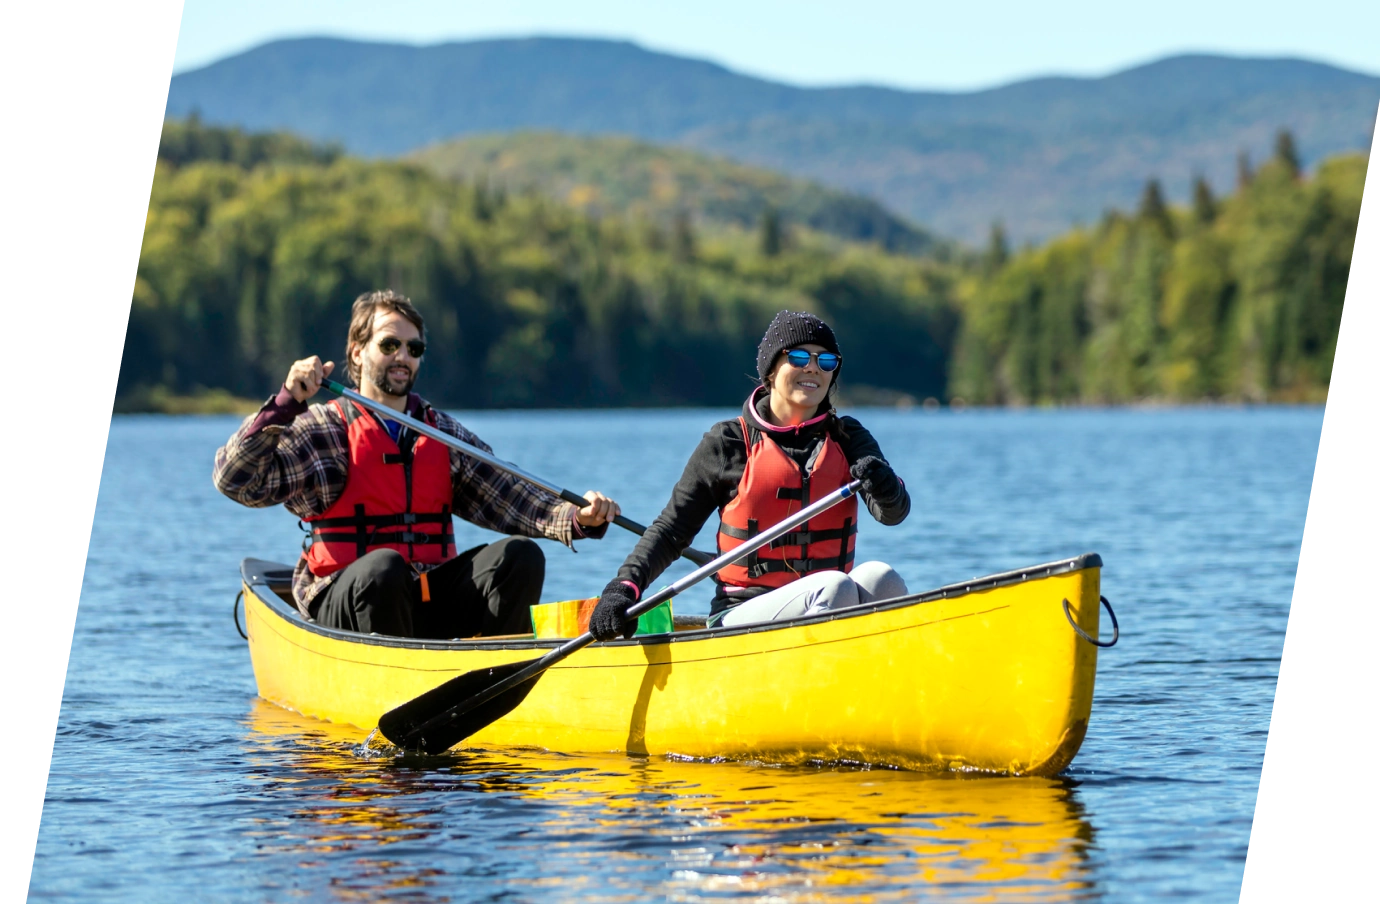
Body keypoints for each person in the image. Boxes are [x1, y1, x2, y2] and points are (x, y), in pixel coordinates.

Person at [213, 289, 622, 639]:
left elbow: (512, 497)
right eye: (390, 345)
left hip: (424, 600)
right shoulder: (325, 430)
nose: (403, 357)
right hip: (344, 601)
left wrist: (578, 518)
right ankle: (393, 695)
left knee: (520, 555)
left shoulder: (442, 432)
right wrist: (286, 402)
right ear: (358, 351)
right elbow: (235, 481)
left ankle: (496, 681)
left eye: (414, 348)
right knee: (384, 568)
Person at [589, 310, 911, 640]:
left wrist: (886, 488)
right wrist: (622, 589)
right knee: (835, 586)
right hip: (740, 615)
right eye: (799, 357)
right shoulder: (728, 443)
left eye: (826, 361)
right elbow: (670, 531)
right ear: (771, 371)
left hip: (823, 602)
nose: (813, 367)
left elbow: (893, 513)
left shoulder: (848, 437)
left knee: (881, 578)